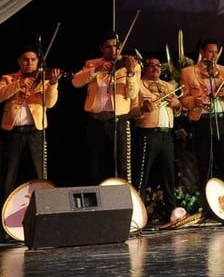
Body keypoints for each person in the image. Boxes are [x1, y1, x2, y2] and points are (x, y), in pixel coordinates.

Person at [71, 31, 141, 185]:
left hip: (117, 121)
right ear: (102, 48)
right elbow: (76, 82)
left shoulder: (131, 66)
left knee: (122, 166)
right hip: (95, 121)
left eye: (116, 46)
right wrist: (96, 69)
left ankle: (125, 201)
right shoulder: (92, 64)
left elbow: (133, 93)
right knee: (95, 166)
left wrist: (129, 73)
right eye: (108, 47)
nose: (113, 50)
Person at [0, 46, 63, 207]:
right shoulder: (8, 78)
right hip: (13, 133)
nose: (29, 63)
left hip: (35, 133)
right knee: (8, 176)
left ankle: (43, 211)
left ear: (38, 62)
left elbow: (49, 103)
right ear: (19, 61)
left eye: (33, 60)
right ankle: (4, 217)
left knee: (39, 173)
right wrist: (19, 84)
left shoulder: (44, 79)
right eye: (26, 59)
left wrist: (54, 83)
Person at [180, 39, 224, 190]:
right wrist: (194, 101)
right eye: (210, 51)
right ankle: (207, 203)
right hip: (202, 121)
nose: (213, 55)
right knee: (204, 163)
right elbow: (183, 100)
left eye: (215, 52)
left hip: (221, 120)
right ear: (202, 52)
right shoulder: (188, 72)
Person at [134, 55, 182, 222]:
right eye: (151, 66)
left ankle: (172, 213)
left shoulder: (168, 86)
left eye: (158, 66)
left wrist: (176, 105)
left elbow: (178, 109)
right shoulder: (138, 84)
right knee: (142, 174)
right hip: (148, 132)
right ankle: (138, 213)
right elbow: (133, 110)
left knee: (169, 174)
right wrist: (142, 108)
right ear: (145, 68)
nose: (155, 68)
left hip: (166, 133)